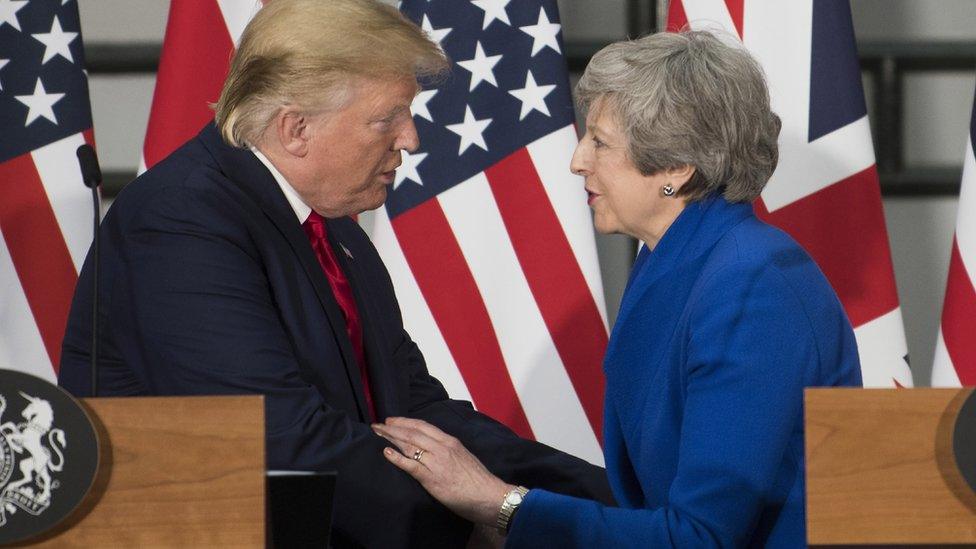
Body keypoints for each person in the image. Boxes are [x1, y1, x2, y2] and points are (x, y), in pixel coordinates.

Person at [58, 0, 613, 546]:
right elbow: (280, 443)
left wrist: (596, 504)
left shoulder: (330, 224)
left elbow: (415, 412)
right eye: (387, 118)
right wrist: (488, 522)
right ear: (296, 129)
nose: (411, 138)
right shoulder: (178, 224)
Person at [372, 30, 863, 548]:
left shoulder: (752, 290)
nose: (577, 159)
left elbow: (700, 538)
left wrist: (502, 505)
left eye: (600, 142)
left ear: (675, 168)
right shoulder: (676, 257)